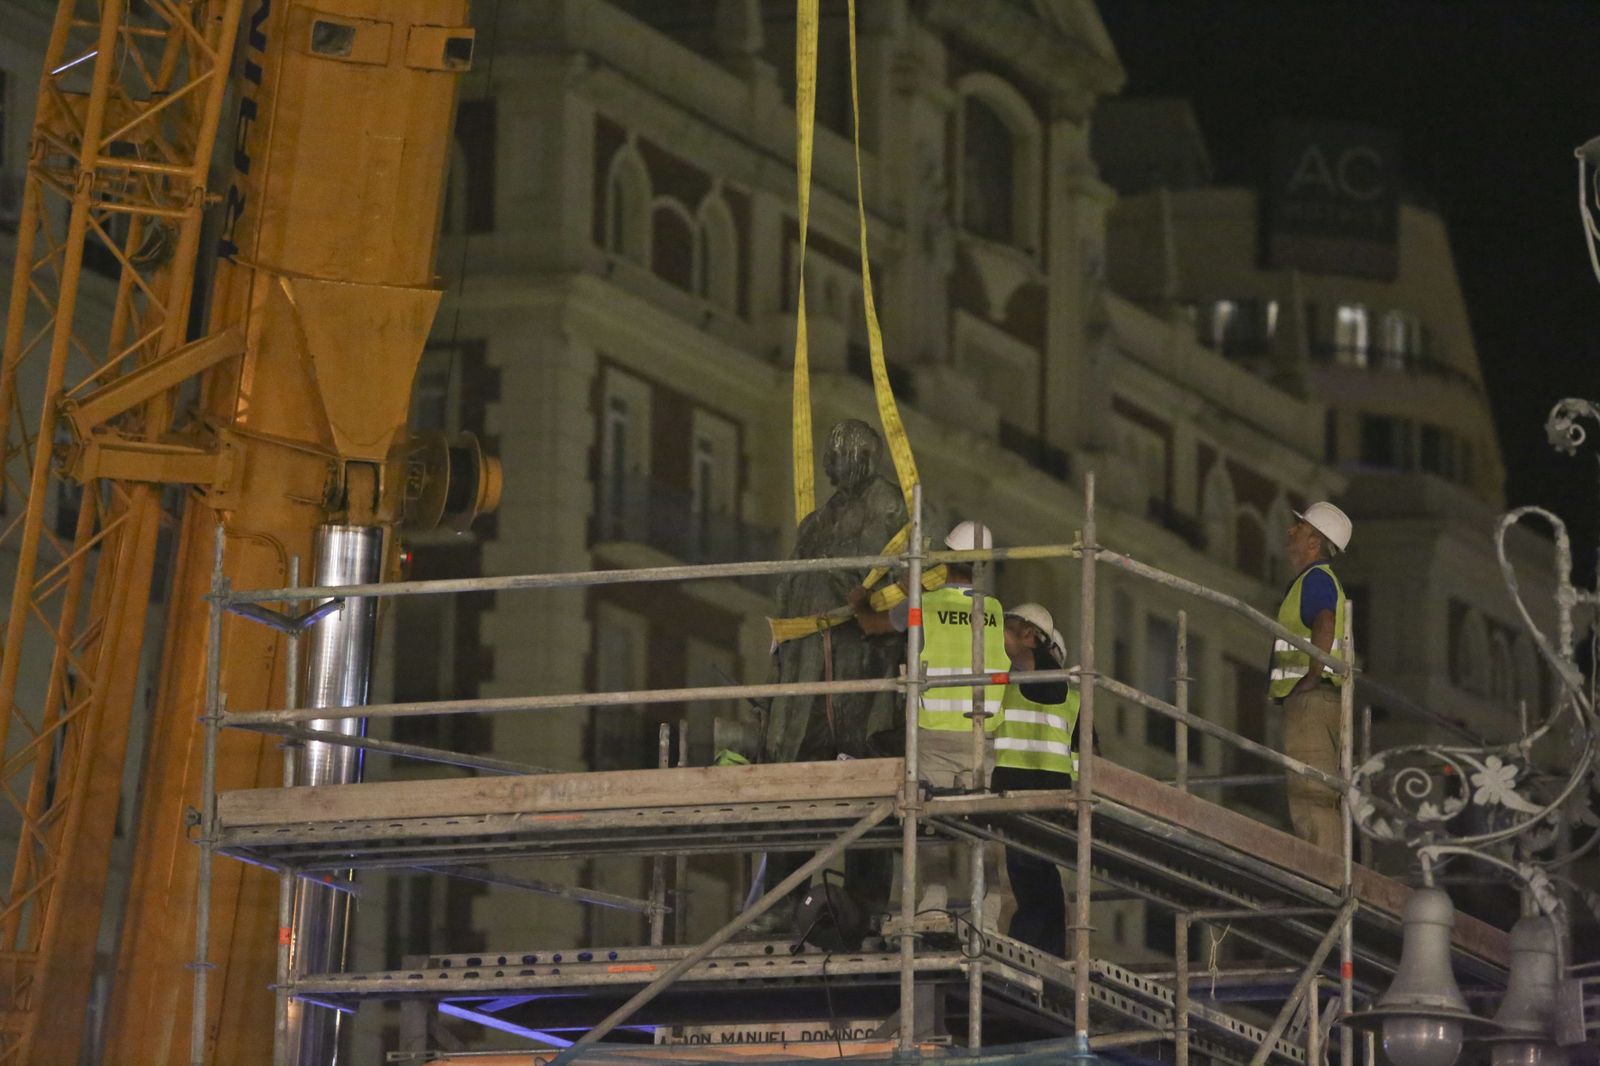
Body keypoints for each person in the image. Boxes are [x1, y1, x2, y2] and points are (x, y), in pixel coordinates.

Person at [760, 420, 906, 931]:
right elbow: (790, 592)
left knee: (865, 783)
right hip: (807, 667)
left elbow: (885, 570)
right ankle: (779, 898)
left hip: (857, 662)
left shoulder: (886, 502)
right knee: (797, 781)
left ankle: (866, 904)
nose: (828, 464)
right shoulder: (817, 522)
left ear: (861, 455)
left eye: (837, 453)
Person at [851, 520, 1007, 914]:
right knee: (982, 828)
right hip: (983, 736)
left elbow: (872, 626)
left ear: (948, 558)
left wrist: (861, 601)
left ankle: (933, 903)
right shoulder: (994, 611)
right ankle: (988, 911)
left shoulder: (926, 605)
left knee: (931, 823)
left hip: (934, 735)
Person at [991, 604, 1078, 956]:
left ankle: (1024, 960)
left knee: (1028, 884)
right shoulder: (1074, 693)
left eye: (1008, 628)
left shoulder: (1017, 677)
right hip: (1057, 798)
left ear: (1030, 636)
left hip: (1020, 793)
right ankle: (1049, 956)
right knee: (1044, 883)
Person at [1268, 501, 1352, 850]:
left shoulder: (1315, 579)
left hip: (1312, 701)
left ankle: (1324, 876)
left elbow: (1326, 621)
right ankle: (1330, 870)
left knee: (1311, 795)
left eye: (1299, 529)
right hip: (1323, 700)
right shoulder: (1318, 580)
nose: (1291, 532)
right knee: (1322, 794)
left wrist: (1312, 676)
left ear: (1314, 543)